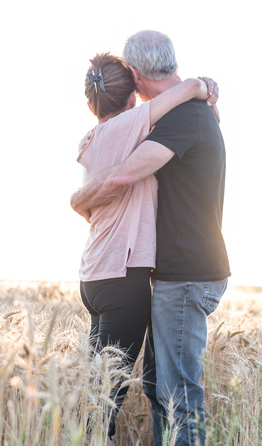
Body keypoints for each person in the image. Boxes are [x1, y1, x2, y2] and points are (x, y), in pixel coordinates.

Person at [71, 50, 215, 443]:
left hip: (94, 276)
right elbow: (183, 91)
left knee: (97, 388)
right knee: (107, 398)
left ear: (90, 105)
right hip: (123, 278)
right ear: (133, 95)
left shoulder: (91, 142)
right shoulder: (131, 124)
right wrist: (203, 88)